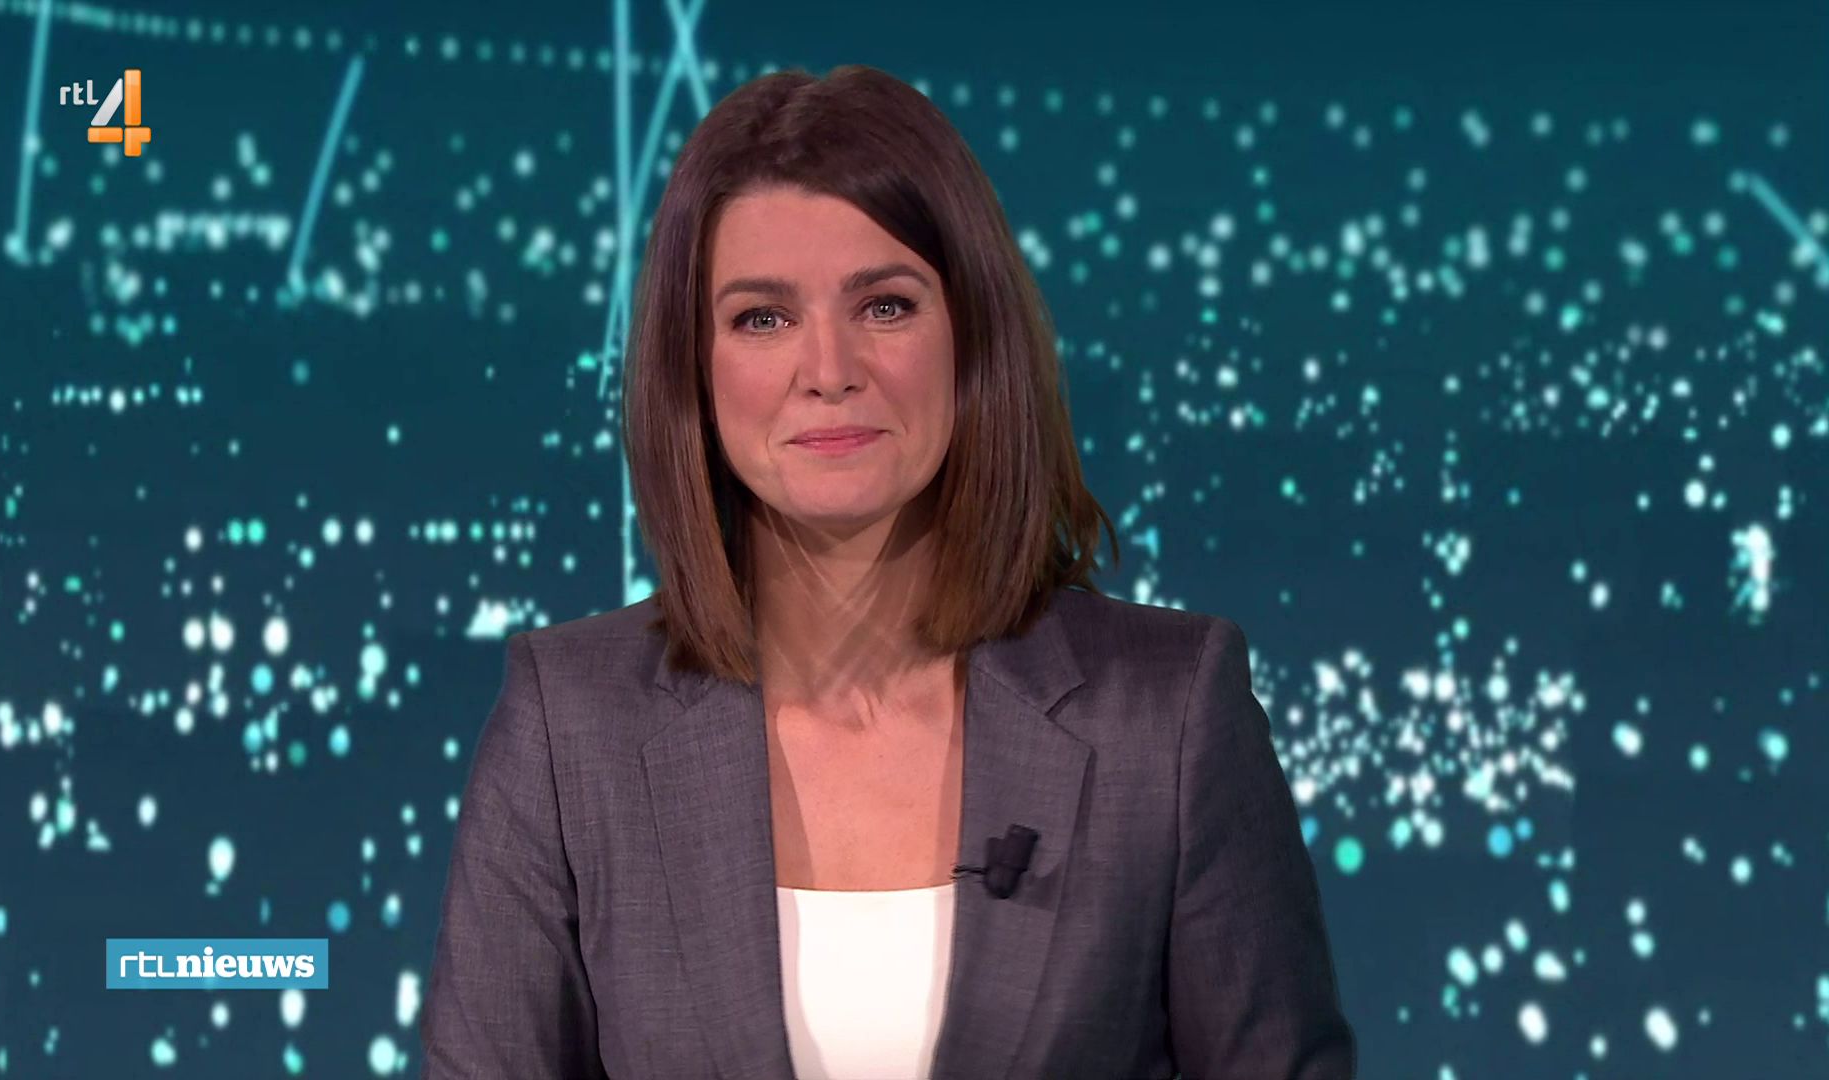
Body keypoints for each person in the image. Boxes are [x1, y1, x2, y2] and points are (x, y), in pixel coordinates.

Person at [420, 63, 1355, 1080]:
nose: (829, 371)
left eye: (885, 306)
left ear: (972, 337)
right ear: (692, 368)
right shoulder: (569, 731)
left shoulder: (1166, 717)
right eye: (762, 318)